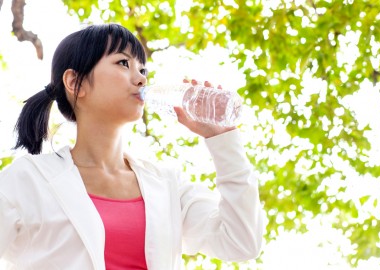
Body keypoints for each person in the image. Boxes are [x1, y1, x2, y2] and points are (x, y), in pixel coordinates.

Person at [0, 24, 263, 269]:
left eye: (143, 70)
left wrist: (223, 139)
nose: (141, 79)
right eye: (123, 63)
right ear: (74, 83)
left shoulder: (167, 185)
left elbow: (241, 241)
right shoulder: (28, 179)